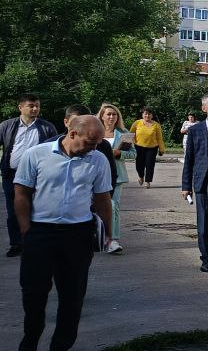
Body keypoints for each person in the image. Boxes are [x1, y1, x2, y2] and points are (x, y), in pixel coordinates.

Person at [14, 115, 113, 351]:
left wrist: (108, 234)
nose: (94, 147)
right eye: (90, 142)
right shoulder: (36, 155)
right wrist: (26, 230)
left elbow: (103, 199)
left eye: (98, 143)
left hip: (77, 235)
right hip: (41, 233)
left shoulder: (98, 160)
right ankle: (32, 332)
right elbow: (21, 194)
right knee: (34, 292)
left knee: (72, 296)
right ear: (72, 133)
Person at [1, 94, 58, 257]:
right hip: (12, 175)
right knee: (13, 211)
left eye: (37, 106)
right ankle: (16, 243)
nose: (35, 109)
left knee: (39, 209)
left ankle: (36, 242)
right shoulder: (7, 126)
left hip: (39, 176)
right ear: (20, 107)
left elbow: (54, 151)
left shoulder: (47, 127)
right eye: (31, 105)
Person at [63, 104, 118, 243]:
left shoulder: (101, 149)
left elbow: (109, 181)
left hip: (84, 217)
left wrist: (106, 231)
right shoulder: (43, 150)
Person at [181, 93, 208, 272]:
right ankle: (206, 258)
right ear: (204, 108)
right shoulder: (195, 130)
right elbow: (189, 159)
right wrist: (185, 186)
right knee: (203, 225)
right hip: (202, 183)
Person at [96, 103, 134, 254]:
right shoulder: (95, 132)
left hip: (116, 175)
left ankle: (113, 239)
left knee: (113, 206)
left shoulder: (124, 133)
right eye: (109, 114)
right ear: (102, 116)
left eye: (114, 114)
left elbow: (133, 154)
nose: (112, 117)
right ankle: (96, 237)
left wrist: (120, 154)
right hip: (96, 175)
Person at [129, 108, 165, 188]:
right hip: (138, 147)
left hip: (152, 148)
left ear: (152, 115)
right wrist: (132, 143)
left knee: (150, 165)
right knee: (139, 165)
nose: (147, 115)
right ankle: (141, 176)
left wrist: (161, 149)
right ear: (142, 115)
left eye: (149, 114)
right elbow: (131, 134)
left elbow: (159, 138)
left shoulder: (156, 125)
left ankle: (147, 181)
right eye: (145, 114)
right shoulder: (137, 123)